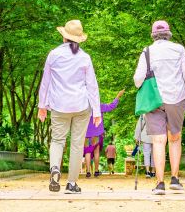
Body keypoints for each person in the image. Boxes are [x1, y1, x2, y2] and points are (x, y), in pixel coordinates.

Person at [38, 20, 102, 194]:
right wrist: (97, 111)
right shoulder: (84, 57)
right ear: (79, 39)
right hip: (81, 105)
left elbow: (46, 82)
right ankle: (72, 183)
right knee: (77, 144)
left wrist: (41, 105)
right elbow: (92, 85)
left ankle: (55, 170)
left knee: (58, 140)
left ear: (64, 37)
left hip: (59, 105)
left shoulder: (54, 54)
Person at [133, 20, 185, 195]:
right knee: (175, 138)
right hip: (176, 98)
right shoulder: (179, 49)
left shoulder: (147, 52)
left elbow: (138, 80)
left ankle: (160, 184)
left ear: (153, 35)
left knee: (159, 141)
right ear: (169, 34)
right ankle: (175, 179)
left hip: (154, 100)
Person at [83, 89, 124, 177]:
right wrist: (118, 96)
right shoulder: (99, 106)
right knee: (96, 152)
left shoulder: (84, 107)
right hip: (97, 133)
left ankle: (88, 172)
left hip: (86, 134)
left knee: (87, 152)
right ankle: (97, 171)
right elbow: (111, 106)